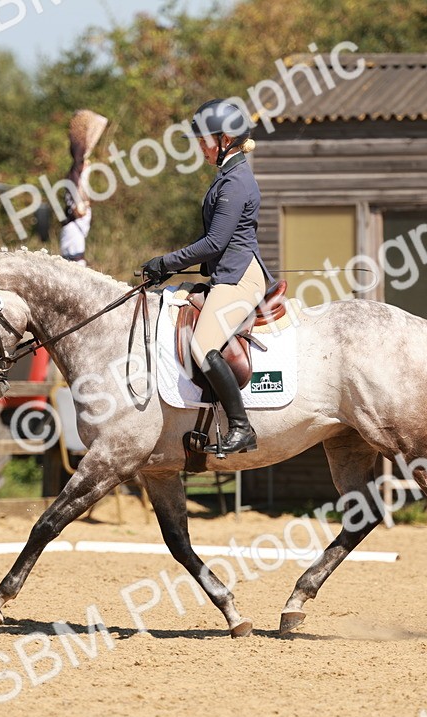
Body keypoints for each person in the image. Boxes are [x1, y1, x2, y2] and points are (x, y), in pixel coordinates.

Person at [141, 98, 274, 454]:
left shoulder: (236, 181)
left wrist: (166, 263)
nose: (200, 146)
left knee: (203, 346)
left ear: (226, 137)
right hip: (227, 273)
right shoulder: (229, 175)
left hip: (239, 278)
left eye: (204, 139)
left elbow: (215, 243)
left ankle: (241, 427)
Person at [60, 109, 107, 265]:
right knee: (74, 263)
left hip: (75, 224)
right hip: (73, 227)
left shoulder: (76, 174)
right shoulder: (76, 171)